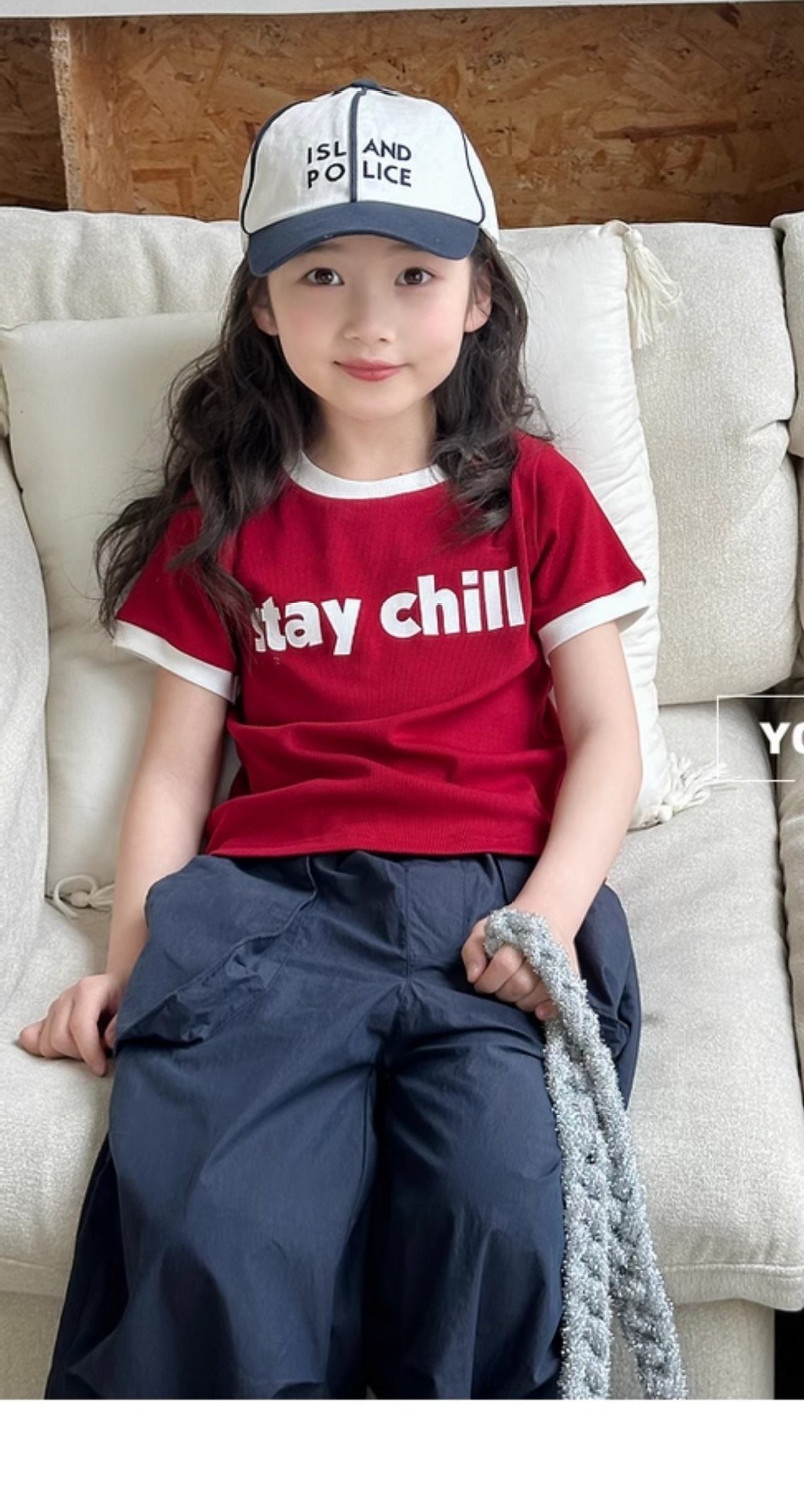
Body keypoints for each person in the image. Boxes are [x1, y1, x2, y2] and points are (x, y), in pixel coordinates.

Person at [20, 78, 649, 1398]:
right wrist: (133, 965)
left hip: (491, 908)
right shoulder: (223, 513)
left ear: (477, 297)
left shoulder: (535, 494)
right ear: (262, 303)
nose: (370, 321)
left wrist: (547, 917)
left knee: (501, 1221)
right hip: (275, 914)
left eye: (415, 275)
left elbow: (606, 736)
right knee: (225, 1231)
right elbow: (177, 771)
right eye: (321, 276)